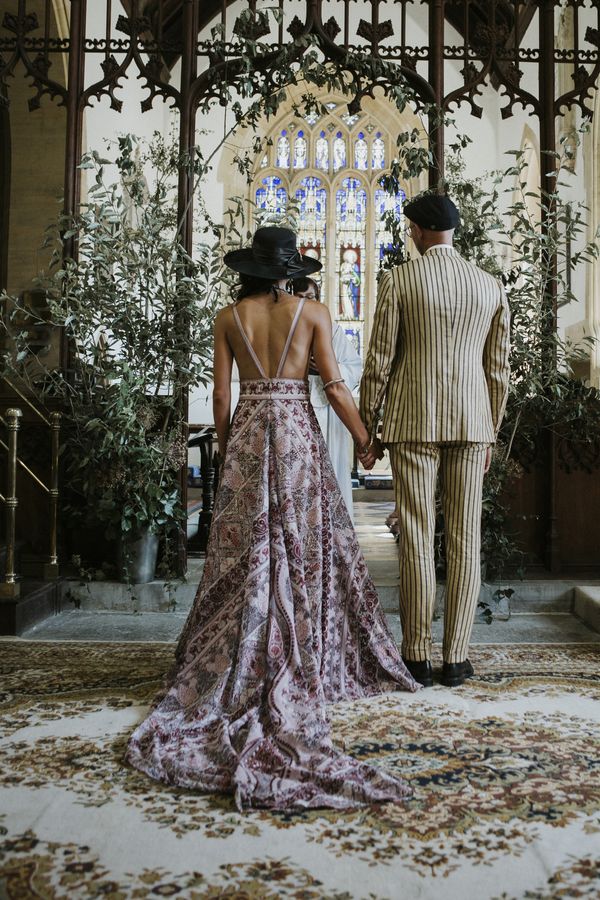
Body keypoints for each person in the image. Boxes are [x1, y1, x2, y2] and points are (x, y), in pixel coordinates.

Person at [125, 226, 419, 811]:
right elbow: (334, 386)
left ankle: (244, 650)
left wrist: (230, 449)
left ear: (251, 270)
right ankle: (303, 647)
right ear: (290, 271)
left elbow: (220, 397)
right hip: (295, 436)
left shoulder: (228, 317)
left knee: (247, 549)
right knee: (301, 542)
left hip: (250, 433)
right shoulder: (314, 313)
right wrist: (366, 441)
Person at [359, 194, 510, 689]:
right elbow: (497, 370)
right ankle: (457, 658)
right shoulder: (489, 286)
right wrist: (490, 430)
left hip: (413, 421)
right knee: (466, 539)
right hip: (471, 424)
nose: (410, 235)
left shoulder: (400, 280)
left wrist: (368, 427)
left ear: (420, 231)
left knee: (418, 535)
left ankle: (417, 655)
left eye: (411, 229)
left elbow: (379, 361)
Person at [293, 275, 362, 521]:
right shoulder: (285, 329)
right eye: (299, 298)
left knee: (330, 471)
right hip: (297, 405)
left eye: (311, 298)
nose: (305, 303)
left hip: (329, 409)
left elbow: (354, 368)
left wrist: (328, 369)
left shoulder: (332, 331)